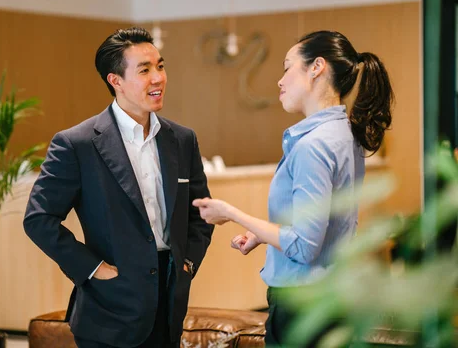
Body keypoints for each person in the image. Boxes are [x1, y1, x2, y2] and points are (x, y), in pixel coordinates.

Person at [192, 30, 394, 346]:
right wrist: (262, 234)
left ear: (317, 68)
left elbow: (304, 247)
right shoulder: (346, 136)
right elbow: (325, 227)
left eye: (288, 67)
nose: (280, 81)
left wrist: (230, 212)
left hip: (303, 306)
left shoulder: (313, 145)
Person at [23, 27, 214, 348]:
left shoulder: (182, 139)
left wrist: (188, 263)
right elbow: (38, 219)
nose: (158, 78)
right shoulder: (77, 144)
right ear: (116, 81)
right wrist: (94, 269)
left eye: (160, 66)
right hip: (108, 310)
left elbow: (200, 211)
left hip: (170, 301)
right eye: (144, 70)